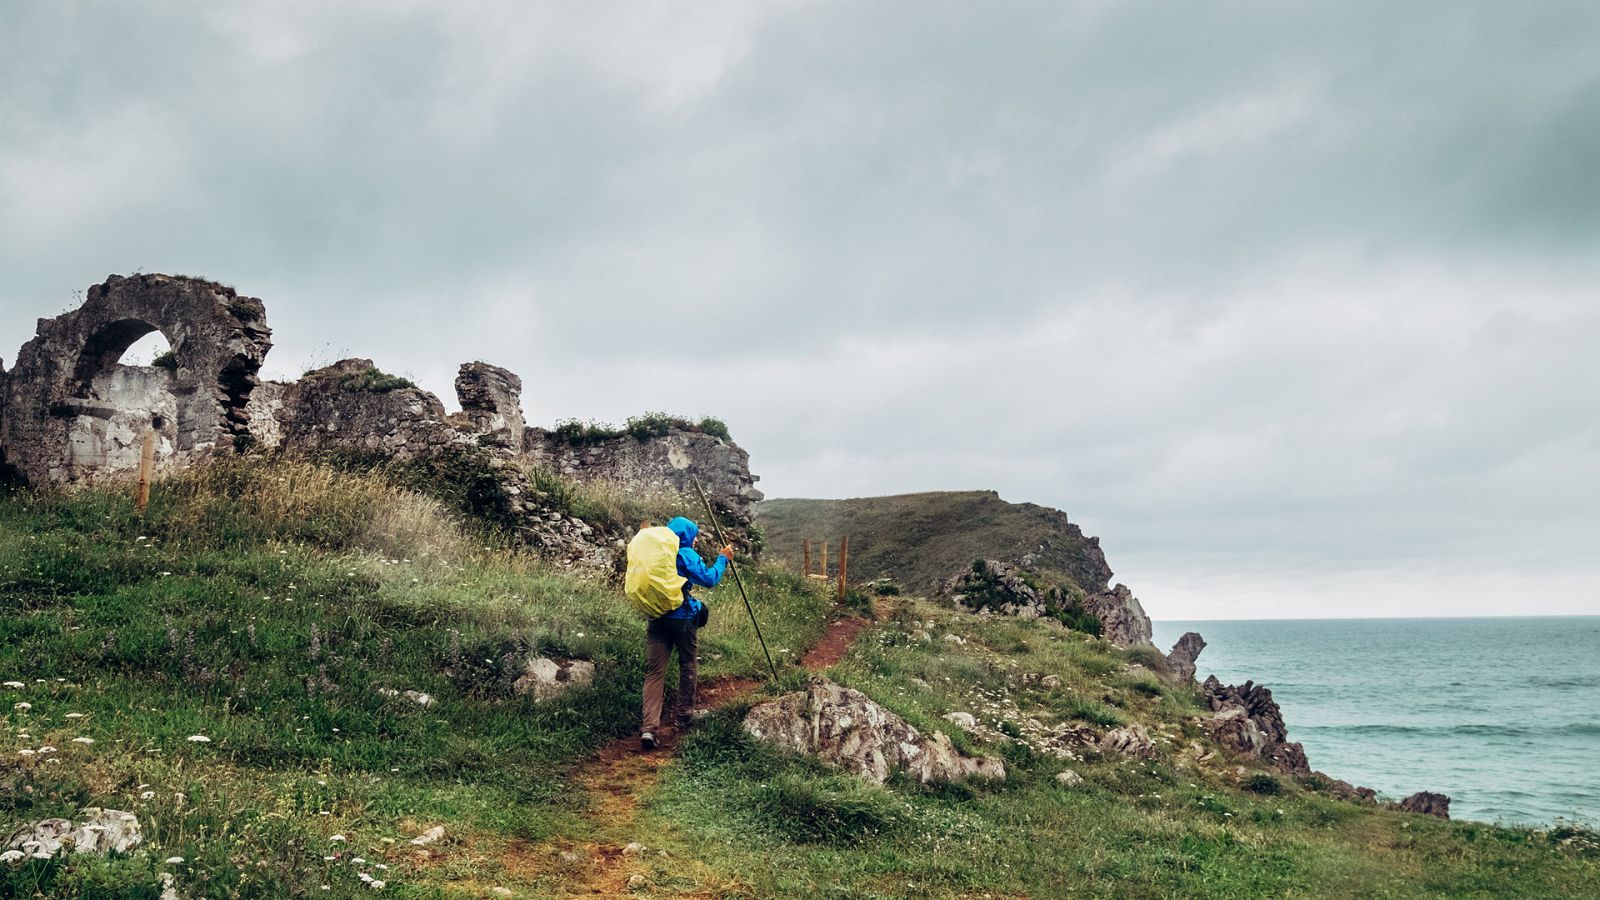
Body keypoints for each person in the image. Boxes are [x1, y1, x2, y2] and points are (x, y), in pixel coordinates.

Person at [640, 516, 732, 750]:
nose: (697, 538)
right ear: (687, 536)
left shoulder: (657, 552)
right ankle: (683, 716)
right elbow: (710, 579)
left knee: (654, 673)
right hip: (682, 619)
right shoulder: (685, 554)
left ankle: (649, 728)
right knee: (687, 664)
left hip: (657, 616)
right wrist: (723, 559)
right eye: (695, 534)